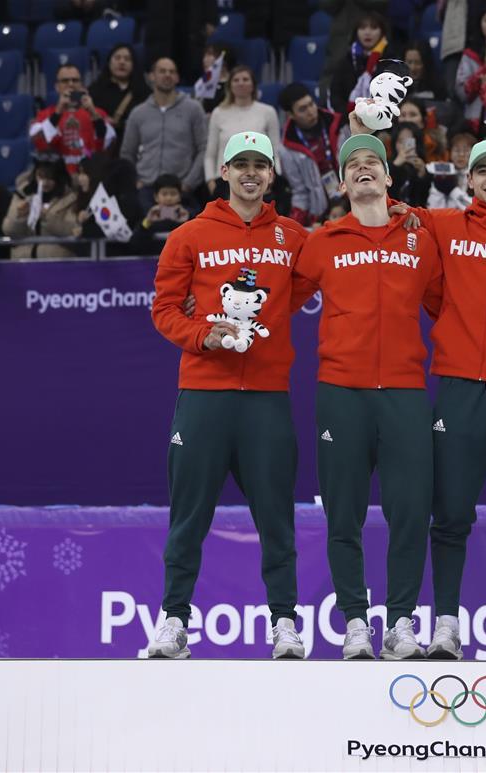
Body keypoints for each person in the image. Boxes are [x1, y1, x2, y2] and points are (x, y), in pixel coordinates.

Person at [351, 111, 486, 661]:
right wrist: (363, 131)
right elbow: (378, 197)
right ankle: (446, 625)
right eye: (483, 171)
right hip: (458, 390)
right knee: (450, 516)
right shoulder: (443, 225)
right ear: (468, 179)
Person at [147, 132, 311, 660]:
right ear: (224, 172)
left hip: (266, 397)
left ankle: (284, 624)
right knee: (188, 516)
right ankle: (174, 621)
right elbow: (164, 310)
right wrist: (204, 335)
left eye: (260, 165)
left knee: (277, 518)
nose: (250, 173)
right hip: (204, 394)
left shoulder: (293, 236)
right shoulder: (189, 235)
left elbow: (304, 287)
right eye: (241, 164)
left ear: (272, 174)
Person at [291, 134, 443, 660]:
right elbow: (275, 299)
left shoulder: (421, 241)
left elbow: (449, 304)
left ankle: (400, 624)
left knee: (410, 514)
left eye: (372, 162)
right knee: (344, 516)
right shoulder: (323, 242)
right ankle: (355, 623)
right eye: (352, 164)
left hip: (404, 393)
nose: (363, 169)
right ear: (341, 183)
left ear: (388, 177)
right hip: (342, 393)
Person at [120, 58, 208, 211]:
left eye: (172, 72)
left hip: (181, 189)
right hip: (146, 189)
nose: (167, 75)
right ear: (151, 76)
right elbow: (127, 153)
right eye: (162, 71)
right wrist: (136, 181)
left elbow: (204, 149)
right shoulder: (138, 113)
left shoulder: (193, 109)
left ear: (177, 78)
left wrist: (188, 184)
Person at [278, 83, 350, 227]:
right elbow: (300, 192)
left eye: (311, 104)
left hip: (353, 199)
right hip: (320, 212)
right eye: (302, 109)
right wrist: (294, 224)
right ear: (291, 115)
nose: (311, 111)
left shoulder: (340, 125)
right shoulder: (287, 149)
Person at [204, 65, 282, 198]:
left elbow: (275, 151)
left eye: (245, 79)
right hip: (225, 182)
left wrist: (273, 177)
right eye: (236, 80)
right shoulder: (218, 113)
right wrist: (210, 181)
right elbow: (210, 154)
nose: (241, 83)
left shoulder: (268, 112)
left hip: (259, 180)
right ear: (230, 86)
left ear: (253, 85)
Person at [29, 63, 116, 176]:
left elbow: (106, 146)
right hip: (56, 176)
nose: (70, 84)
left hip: (89, 174)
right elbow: (38, 142)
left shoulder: (97, 113)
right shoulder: (45, 114)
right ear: (57, 86)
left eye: (75, 80)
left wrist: (93, 113)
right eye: (65, 81)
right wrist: (58, 113)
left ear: (81, 85)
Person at [2, 156, 78, 259]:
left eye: (50, 178)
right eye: (40, 176)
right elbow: (9, 231)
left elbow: (74, 230)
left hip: (56, 263)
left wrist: (47, 218)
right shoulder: (22, 194)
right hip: (23, 262)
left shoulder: (71, 197)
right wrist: (19, 217)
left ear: (59, 177)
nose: (45, 182)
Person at [72, 153, 142, 255]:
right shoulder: (87, 199)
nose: (80, 178)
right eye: (79, 173)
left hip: (117, 258)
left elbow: (114, 228)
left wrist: (85, 230)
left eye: (84, 174)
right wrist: (81, 222)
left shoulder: (116, 200)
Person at [88, 44, 151, 149]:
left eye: (127, 59)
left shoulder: (144, 92)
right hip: (104, 146)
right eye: (117, 58)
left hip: (135, 145)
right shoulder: (95, 90)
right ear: (109, 62)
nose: (122, 62)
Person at [329, 12, 390, 114]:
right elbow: (335, 95)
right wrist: (349, 116)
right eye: (362, 28)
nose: (367, 32)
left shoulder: (390, 61)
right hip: (348, 117)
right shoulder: (347, 61)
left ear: (382, 32)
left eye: (373, 28)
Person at [129, 173, 191, 254]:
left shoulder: (187, 217)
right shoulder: (149, 219)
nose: (169, 198)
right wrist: (148, 221)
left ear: (180, 196)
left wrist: (187, 221)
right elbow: (134, 245)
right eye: (164, 194)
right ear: (156, 197)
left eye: (173, 194)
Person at [389, 121, 431, 206]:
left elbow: (423, 199)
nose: (404, 146)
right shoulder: (386, 165)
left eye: (409, 141)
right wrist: (395, 165)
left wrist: (422, 175)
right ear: (394, 143)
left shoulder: (423, 166)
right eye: (401, 141)